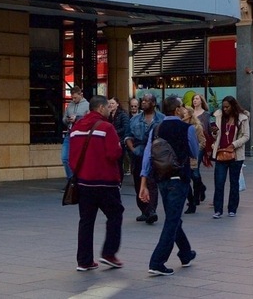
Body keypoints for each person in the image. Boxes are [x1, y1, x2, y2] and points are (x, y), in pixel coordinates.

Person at [138, 96, 199, 276]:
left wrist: (144, 183)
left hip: (161, 179)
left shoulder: (156, 128)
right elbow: (194, 152)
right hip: (179, 180)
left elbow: (148, 156)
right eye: (181, 106)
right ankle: (157, 261)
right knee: (172, 220)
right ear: (177, 109)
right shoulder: (187, 128)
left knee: (174, 217)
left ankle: (186, 253)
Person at [68, 93, 124, 272]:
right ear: (100, 108)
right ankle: (109, 253)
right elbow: (114, 154)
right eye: (108, 107)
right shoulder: (107, 127)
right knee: (115, 215)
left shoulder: (76, 127)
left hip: (84, 183)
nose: (109, 109)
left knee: (86, 221)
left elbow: (71, 157)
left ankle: (84, 261)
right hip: (105, 182)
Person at [210, 97, 249, 218]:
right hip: (221, 153)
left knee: (234, 183)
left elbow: (246, 136)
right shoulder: (219, 116)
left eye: (227, 107)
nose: (225, 109)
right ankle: (218, 210)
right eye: (224, 107)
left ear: (233, 106)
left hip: (236, 155)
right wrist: (214, 132)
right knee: (219, 182)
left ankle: (232, 209)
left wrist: (234, 144)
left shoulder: (242, 118)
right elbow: (215, 136)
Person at [126, 93, 160, 224]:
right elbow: (128, 136)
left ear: (153, 103)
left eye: (147, 101)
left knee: (151, 182)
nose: (143, 103)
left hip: (155, 154)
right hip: (139, 153)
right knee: (138, 182)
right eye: (143, 101)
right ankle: (144, 210)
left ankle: (151, 210)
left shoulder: (161, 118)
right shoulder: (134, 120)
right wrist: (133, 149)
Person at [62, 87, 88, 179]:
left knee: (79, 159)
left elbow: (89, 121)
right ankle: (71, 180)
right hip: (70, 133)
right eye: (72, 98)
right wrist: (67, 119)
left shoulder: (87, 106)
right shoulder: (70, 105)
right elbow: (64, 119)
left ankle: (76, 180)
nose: (73, 100)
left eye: (75, 98)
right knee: (65, 158)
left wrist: (77, 118)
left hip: (81, 135)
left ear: (80, 95)